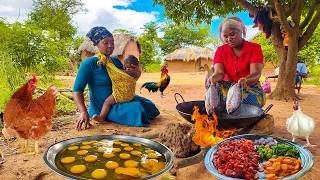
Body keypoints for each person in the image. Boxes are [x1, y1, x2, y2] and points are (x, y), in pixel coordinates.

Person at [72, 26, 160, 130]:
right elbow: (77, 90)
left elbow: (125, 81)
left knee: (149, 105)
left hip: (119, 98)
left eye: (112, 42)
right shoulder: (89, 63)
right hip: (102, 106)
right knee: (137, 109)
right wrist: (83, 112)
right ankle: (102, 117)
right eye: (105, 43)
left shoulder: (115, 61)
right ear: (96, 44)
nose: (110, 46)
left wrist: (137, 74)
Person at [209, 17, 266, 108]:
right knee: (213, 102)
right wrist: (213, 78)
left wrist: (245, 80)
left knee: (245, 102)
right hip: (226, 89)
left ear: (241, 32)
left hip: (249, 88)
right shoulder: (220, 51)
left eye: (232, 34)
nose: (229, 39)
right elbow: (219, 73)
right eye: (226, 36)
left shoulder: (254, 48)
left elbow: (256, 73)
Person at [92, 55, 140, 122]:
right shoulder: (138, 71)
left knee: (107, 102)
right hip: (131, 95)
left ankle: (102, 117)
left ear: (133, 66)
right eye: (125, 68)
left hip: (121, 94)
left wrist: (111, 67)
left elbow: (121, 72)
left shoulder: (134, 72)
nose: (127, 70)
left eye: (128, 68)